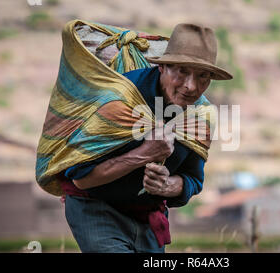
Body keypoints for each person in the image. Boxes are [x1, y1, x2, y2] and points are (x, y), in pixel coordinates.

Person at [62, 23, 233, 253]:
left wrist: (167, 186)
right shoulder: (119, 99)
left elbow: (193, 180)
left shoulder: (200, 116)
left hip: (147, 216)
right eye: (182, 71)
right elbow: (81, 178)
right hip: (95, 206)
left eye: (202, 76)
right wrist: (145, 153)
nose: (191, 86)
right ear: (163, 67)